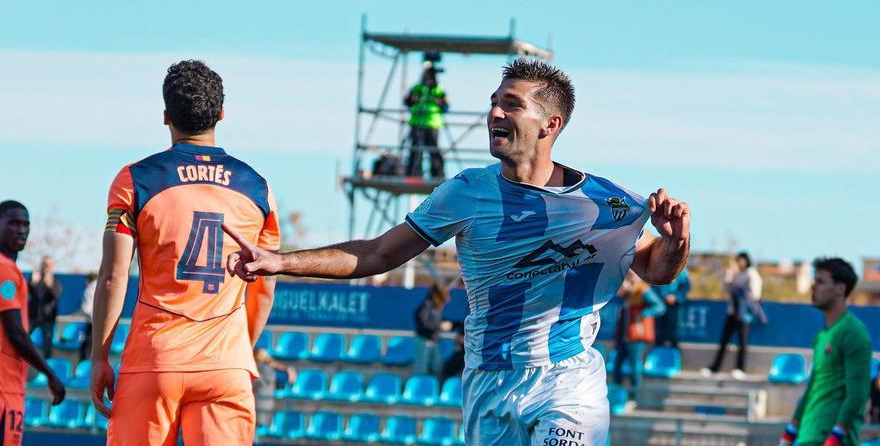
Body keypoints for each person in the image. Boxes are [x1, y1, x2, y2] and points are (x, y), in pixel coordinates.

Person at [223, 58, 691, 446]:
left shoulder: (608, 204)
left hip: (566, 379)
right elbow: (379, 254)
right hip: (488, 379)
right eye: (493, 103)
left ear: (551, 124)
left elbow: (655, 270)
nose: (493, 114)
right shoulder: (465, 193)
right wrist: (282, 261)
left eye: (511, 104)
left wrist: (675, 243)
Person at [89, 60, 281, 446]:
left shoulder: (136, 179)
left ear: (165, 116)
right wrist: (237, 351)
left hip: (154, 360)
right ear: (222, 114)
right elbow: (266, 284)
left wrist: (99, 357)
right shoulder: (258, 187)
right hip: (225, 364)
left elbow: (113, 277)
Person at [778, 258, 872, 446]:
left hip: (832, 440)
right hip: (807, 436)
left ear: (840, 288)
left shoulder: (854, 333)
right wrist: (790, 432)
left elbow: (858, 395)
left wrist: (835, 437)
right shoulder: (822, 336)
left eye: (821, 282)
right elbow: (812, 387)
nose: (814, 287)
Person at [0, 201, 66, 446]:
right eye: (13, 223)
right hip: (4, 389)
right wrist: (50, 374)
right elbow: (15, 332)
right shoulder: (5, 271)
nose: (21, 230)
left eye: (26, 224)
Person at [701, 251, 763, 381]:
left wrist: (742, 294)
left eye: (741, 260)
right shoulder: (735, 274)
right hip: (732, 312)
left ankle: (740, 369)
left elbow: (755, 295)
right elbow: (726, 290)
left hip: (744, 314)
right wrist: (728, 277)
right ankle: (715, 367)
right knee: (724, 341)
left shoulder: (751, 274)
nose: (739, 263)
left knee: (742, 342)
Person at [613, 272, 665, 403]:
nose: (630, 279)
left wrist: (643, 313)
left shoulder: (643, 290)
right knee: (617, 367)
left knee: (634, 366)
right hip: (624, 336)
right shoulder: (626, 293)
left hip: (636, 336)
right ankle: (617, 396)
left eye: (631, 276)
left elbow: (660, 306)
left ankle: (634, 398)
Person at [404, 56, 449, 179]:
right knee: (415, 149)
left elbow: (446, 107)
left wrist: (438, 101)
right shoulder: (417, 88)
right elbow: (407, 101)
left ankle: (437, 174)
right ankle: (413, 173)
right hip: (417, 122)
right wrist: (414, 99)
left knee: (433, 150)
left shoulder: (438, 90)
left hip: (432, 123)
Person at [413, 282, 453, 376]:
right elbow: (423, 323)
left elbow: (435, 321)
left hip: (434, 341)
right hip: (424, 340)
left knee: (437, 367)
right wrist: (439, 326)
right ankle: (420, 388)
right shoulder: (427, 305)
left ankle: (434, 387)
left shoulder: (436, 307)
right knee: (422, 368)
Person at [252, 348, 296, 430]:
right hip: (266, 404)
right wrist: (288, 369)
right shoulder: (270, 370)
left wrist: (287, 369)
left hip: (259, 404)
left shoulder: (259, 369)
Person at [28, 255, 62, 358]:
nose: (45, 267)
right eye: (44, 264)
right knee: (23, 339)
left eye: (48, 265)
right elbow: (29, 293)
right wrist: (33, 283)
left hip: (48, 319)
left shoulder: (55, 282)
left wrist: (49, 283)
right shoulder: (36, 279)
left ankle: (46, 368)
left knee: (47, 346)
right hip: (33, 317)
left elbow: (56, 295)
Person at [652, 268, 690, 348]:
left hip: (674, 306)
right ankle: (658, 353)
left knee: (673, 333)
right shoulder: (657, 268)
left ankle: (673, 355)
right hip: (659, 305)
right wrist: (662, 298)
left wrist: (675, 297)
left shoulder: (681, 271)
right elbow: (653, 287)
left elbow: (685, 287)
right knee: (658, 333)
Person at [79, 272, 97, 363]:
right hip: (101, 324)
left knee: (86, 349)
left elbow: (86, 309)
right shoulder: (103, 287)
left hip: (91, 323)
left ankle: (85, 369)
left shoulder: (89, 290)